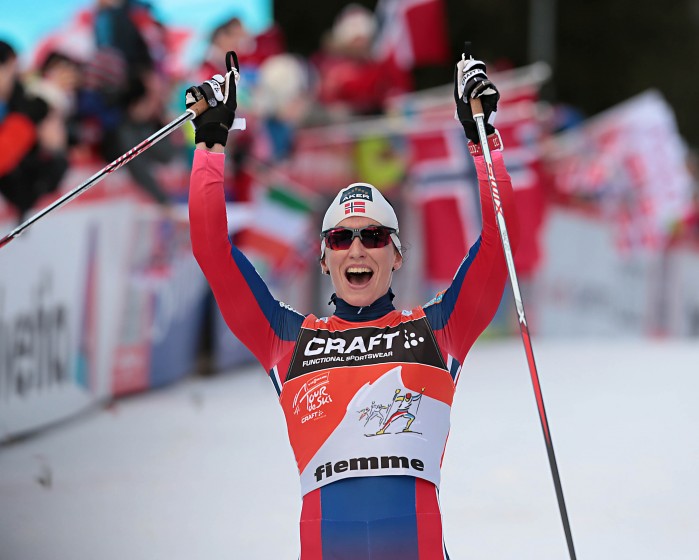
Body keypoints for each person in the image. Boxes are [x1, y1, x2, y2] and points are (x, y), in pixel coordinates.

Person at [186, 50, 518, 558]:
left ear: (397, 254)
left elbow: (500, 242)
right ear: (324, 260)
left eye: (373, 236)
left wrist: (482, 140)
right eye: (340, 239)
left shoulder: (438, 331)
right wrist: (210, 143)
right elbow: (213, 250)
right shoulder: (288, 341)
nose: (357, 248)